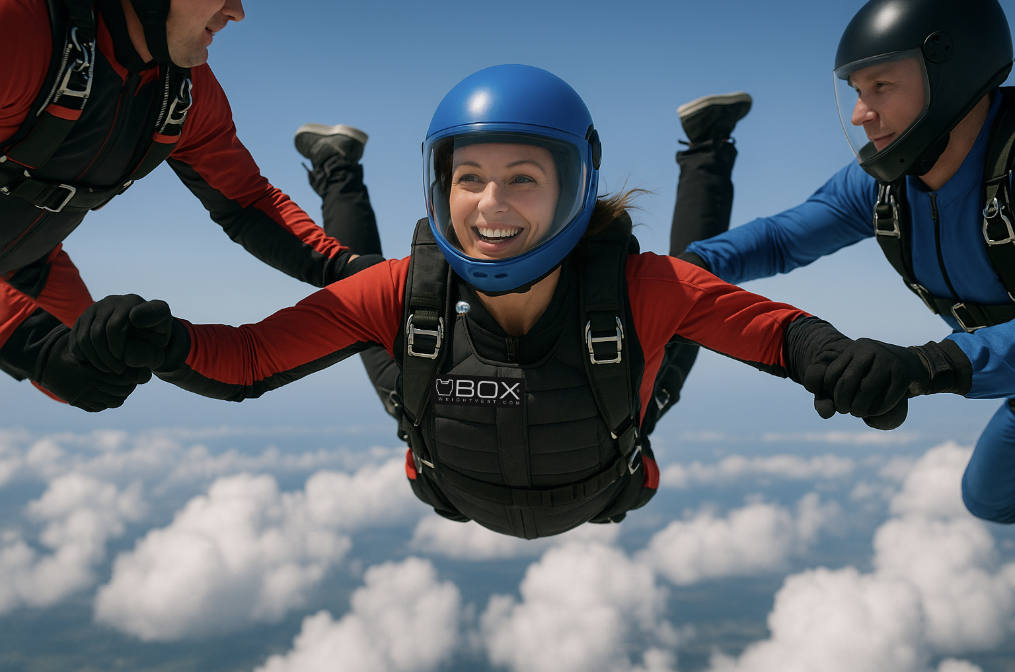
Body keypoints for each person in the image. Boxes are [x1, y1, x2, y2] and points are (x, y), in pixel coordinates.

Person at [66, 64, 948, 540]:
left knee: (688, 294)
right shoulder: (404, 295)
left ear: (574, 187)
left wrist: (841, 361)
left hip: (576, 462)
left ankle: (705, 148)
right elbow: (249, 361)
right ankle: (335, 164)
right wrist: (159, 341)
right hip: (482, 459)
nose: (489, 205)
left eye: (523, 178)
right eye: (468, 177)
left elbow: (777, 334)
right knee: (356, 286)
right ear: (439, 185)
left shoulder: (637, 290)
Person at [673, 0, 1011, 521]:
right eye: (856, 91)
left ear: (954, 74)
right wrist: (684, 267)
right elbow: (780, 239)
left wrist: (928, 364)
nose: (859, 114)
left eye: (882, 86)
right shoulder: (883, 188)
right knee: (989, 497)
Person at [0, 0, 360, 411]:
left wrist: (347, 270)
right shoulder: (19, 29)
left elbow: (246, 202)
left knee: (100, 368)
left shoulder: (182, 91)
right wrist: (34, 345)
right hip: (24, 271)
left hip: (31, 265)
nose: (236, 12)